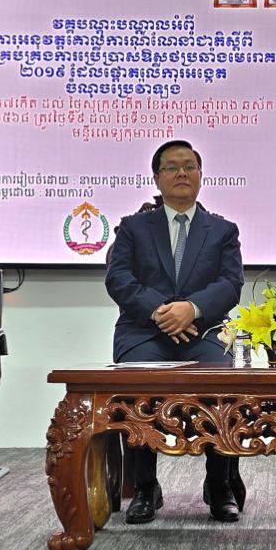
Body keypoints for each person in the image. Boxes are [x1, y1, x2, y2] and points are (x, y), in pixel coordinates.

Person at [106, 139, 246, 523]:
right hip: (145, 332)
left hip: (205, 332)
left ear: (201, 175)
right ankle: (145, 488)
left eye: (189, 166)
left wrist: (192, 309)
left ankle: (219, 484)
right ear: (156, 177)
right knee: (137, 382)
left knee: (224, 380)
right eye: (171, 167)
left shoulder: (223, 230)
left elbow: (231, 283)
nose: (182, 173)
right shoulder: (133, 227)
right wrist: (161, 312)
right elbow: (119, 279)